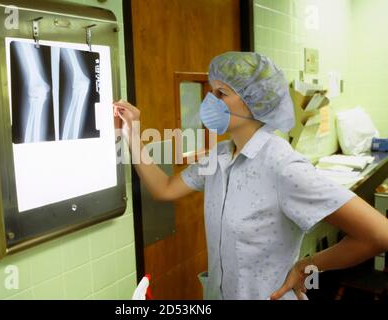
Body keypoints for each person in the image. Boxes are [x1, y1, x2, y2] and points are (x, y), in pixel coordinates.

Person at [113, 52, 388, 300]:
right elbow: (164, 189)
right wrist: (132, 132)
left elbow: (378, 234)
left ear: (253, 102)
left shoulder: (282, 165)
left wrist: (307, 266)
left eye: (221, 94)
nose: (210, 101)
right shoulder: (219, 156)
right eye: (211, 92)